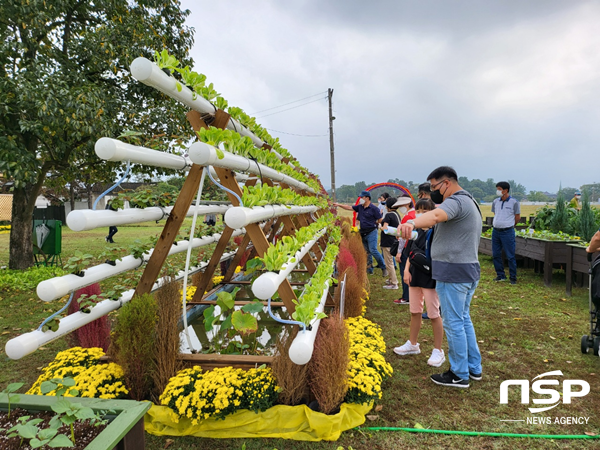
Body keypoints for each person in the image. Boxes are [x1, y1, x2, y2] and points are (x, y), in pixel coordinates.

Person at [399, 166, 482, 388]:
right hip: (466, 271)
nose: (433, 192)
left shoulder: (456, 201)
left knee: (454, 323)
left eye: (434, 187)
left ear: (446, 184)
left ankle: (459, 373)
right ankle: (473, 368)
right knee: (463, 319)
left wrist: (411, 222)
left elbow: (435, 215)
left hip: (454, 273)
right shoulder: (470, 202)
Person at [393, 198, 445, 367]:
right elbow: (411, 253)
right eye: (418, 210)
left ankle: (438, 350)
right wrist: (407, 271)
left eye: (425, 211)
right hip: (415, 275)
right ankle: (412, 344)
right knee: (415, 311)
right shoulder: (416, 232)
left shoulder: (436, 232)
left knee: (434, 314)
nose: (420, 214)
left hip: (430, 276)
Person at [333, 191, 387, 277]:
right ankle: (369, 268)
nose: (361, 199)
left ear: (367, 198)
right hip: (363, 232)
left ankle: (383, 267)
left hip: (372, 232)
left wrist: (379, 225)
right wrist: (339, 205)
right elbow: (349, 207)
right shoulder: (360, 207)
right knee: (366, 251)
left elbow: (380, 220)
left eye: (362, 197)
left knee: (373, 250)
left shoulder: (374, 209)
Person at [491, 181, 521, 285]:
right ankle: (500, 275)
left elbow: (517, 217)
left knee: (510, 255)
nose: (498, 191)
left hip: (507, 231)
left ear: (505, 190)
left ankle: (513, 277)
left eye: (499, 189)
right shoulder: (496, 201)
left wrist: (511, 224)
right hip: (496, 231)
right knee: (496, 254)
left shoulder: (514, 202)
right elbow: (496, 213)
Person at [392, 196, 415, 305]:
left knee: (405, 273)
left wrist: (399, 252)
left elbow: (402, 237)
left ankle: (406, 297)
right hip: (415, 249)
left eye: (400, 206)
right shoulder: (416, 214)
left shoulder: (407, 217)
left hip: (407, 248)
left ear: (406, 205)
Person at [380, 197, 401, 290]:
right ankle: (391, 279)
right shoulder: (396, 214)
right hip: (394, 241)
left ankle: (394, 283)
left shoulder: (388, 215)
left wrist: (379, 227)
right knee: (390, 261)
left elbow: (385, 228)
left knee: (389, 263)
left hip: (387, 242)